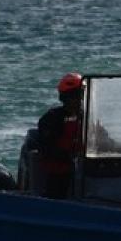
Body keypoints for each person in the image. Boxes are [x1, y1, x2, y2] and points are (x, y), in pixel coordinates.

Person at [36, 72, 84, 200]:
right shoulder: (51, 118)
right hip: (59, 173)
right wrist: (69, 156)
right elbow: (47, 148)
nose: (78, 100)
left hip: (85, 168)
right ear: (64, 98)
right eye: (74, 96)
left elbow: (101, 138)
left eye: (81, 95)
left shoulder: (88, 117)